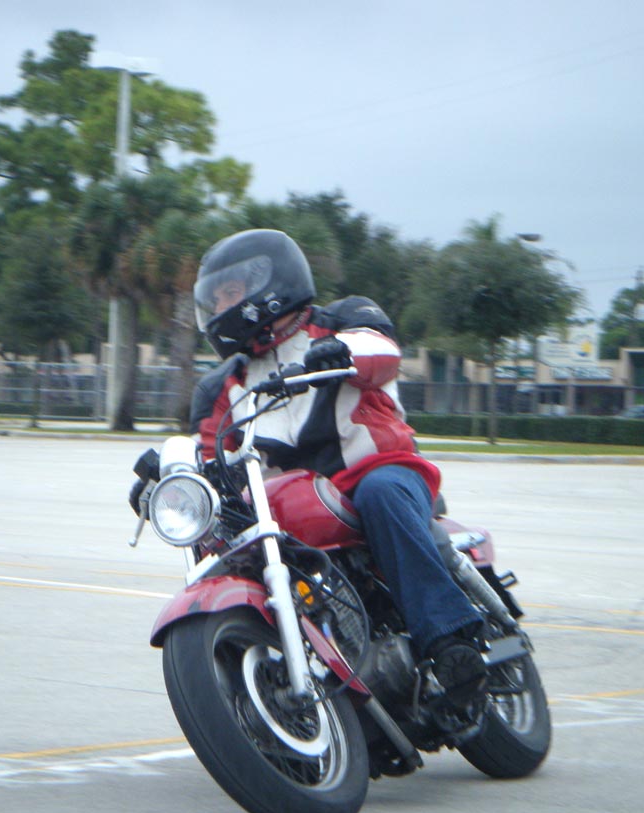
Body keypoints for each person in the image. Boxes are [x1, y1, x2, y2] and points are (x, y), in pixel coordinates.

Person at [190, 228, 489, 706]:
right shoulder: (222, 386)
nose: (223, 305)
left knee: (380, 493)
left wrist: (346, 352)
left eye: (232, 292)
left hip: (379, 471)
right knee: (237, 543)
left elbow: (382, 352)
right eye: (217, 297)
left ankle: (450, 639)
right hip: (293, 506)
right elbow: (209, 453)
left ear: (270, 282)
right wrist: (167, 476)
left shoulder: (342, 320)